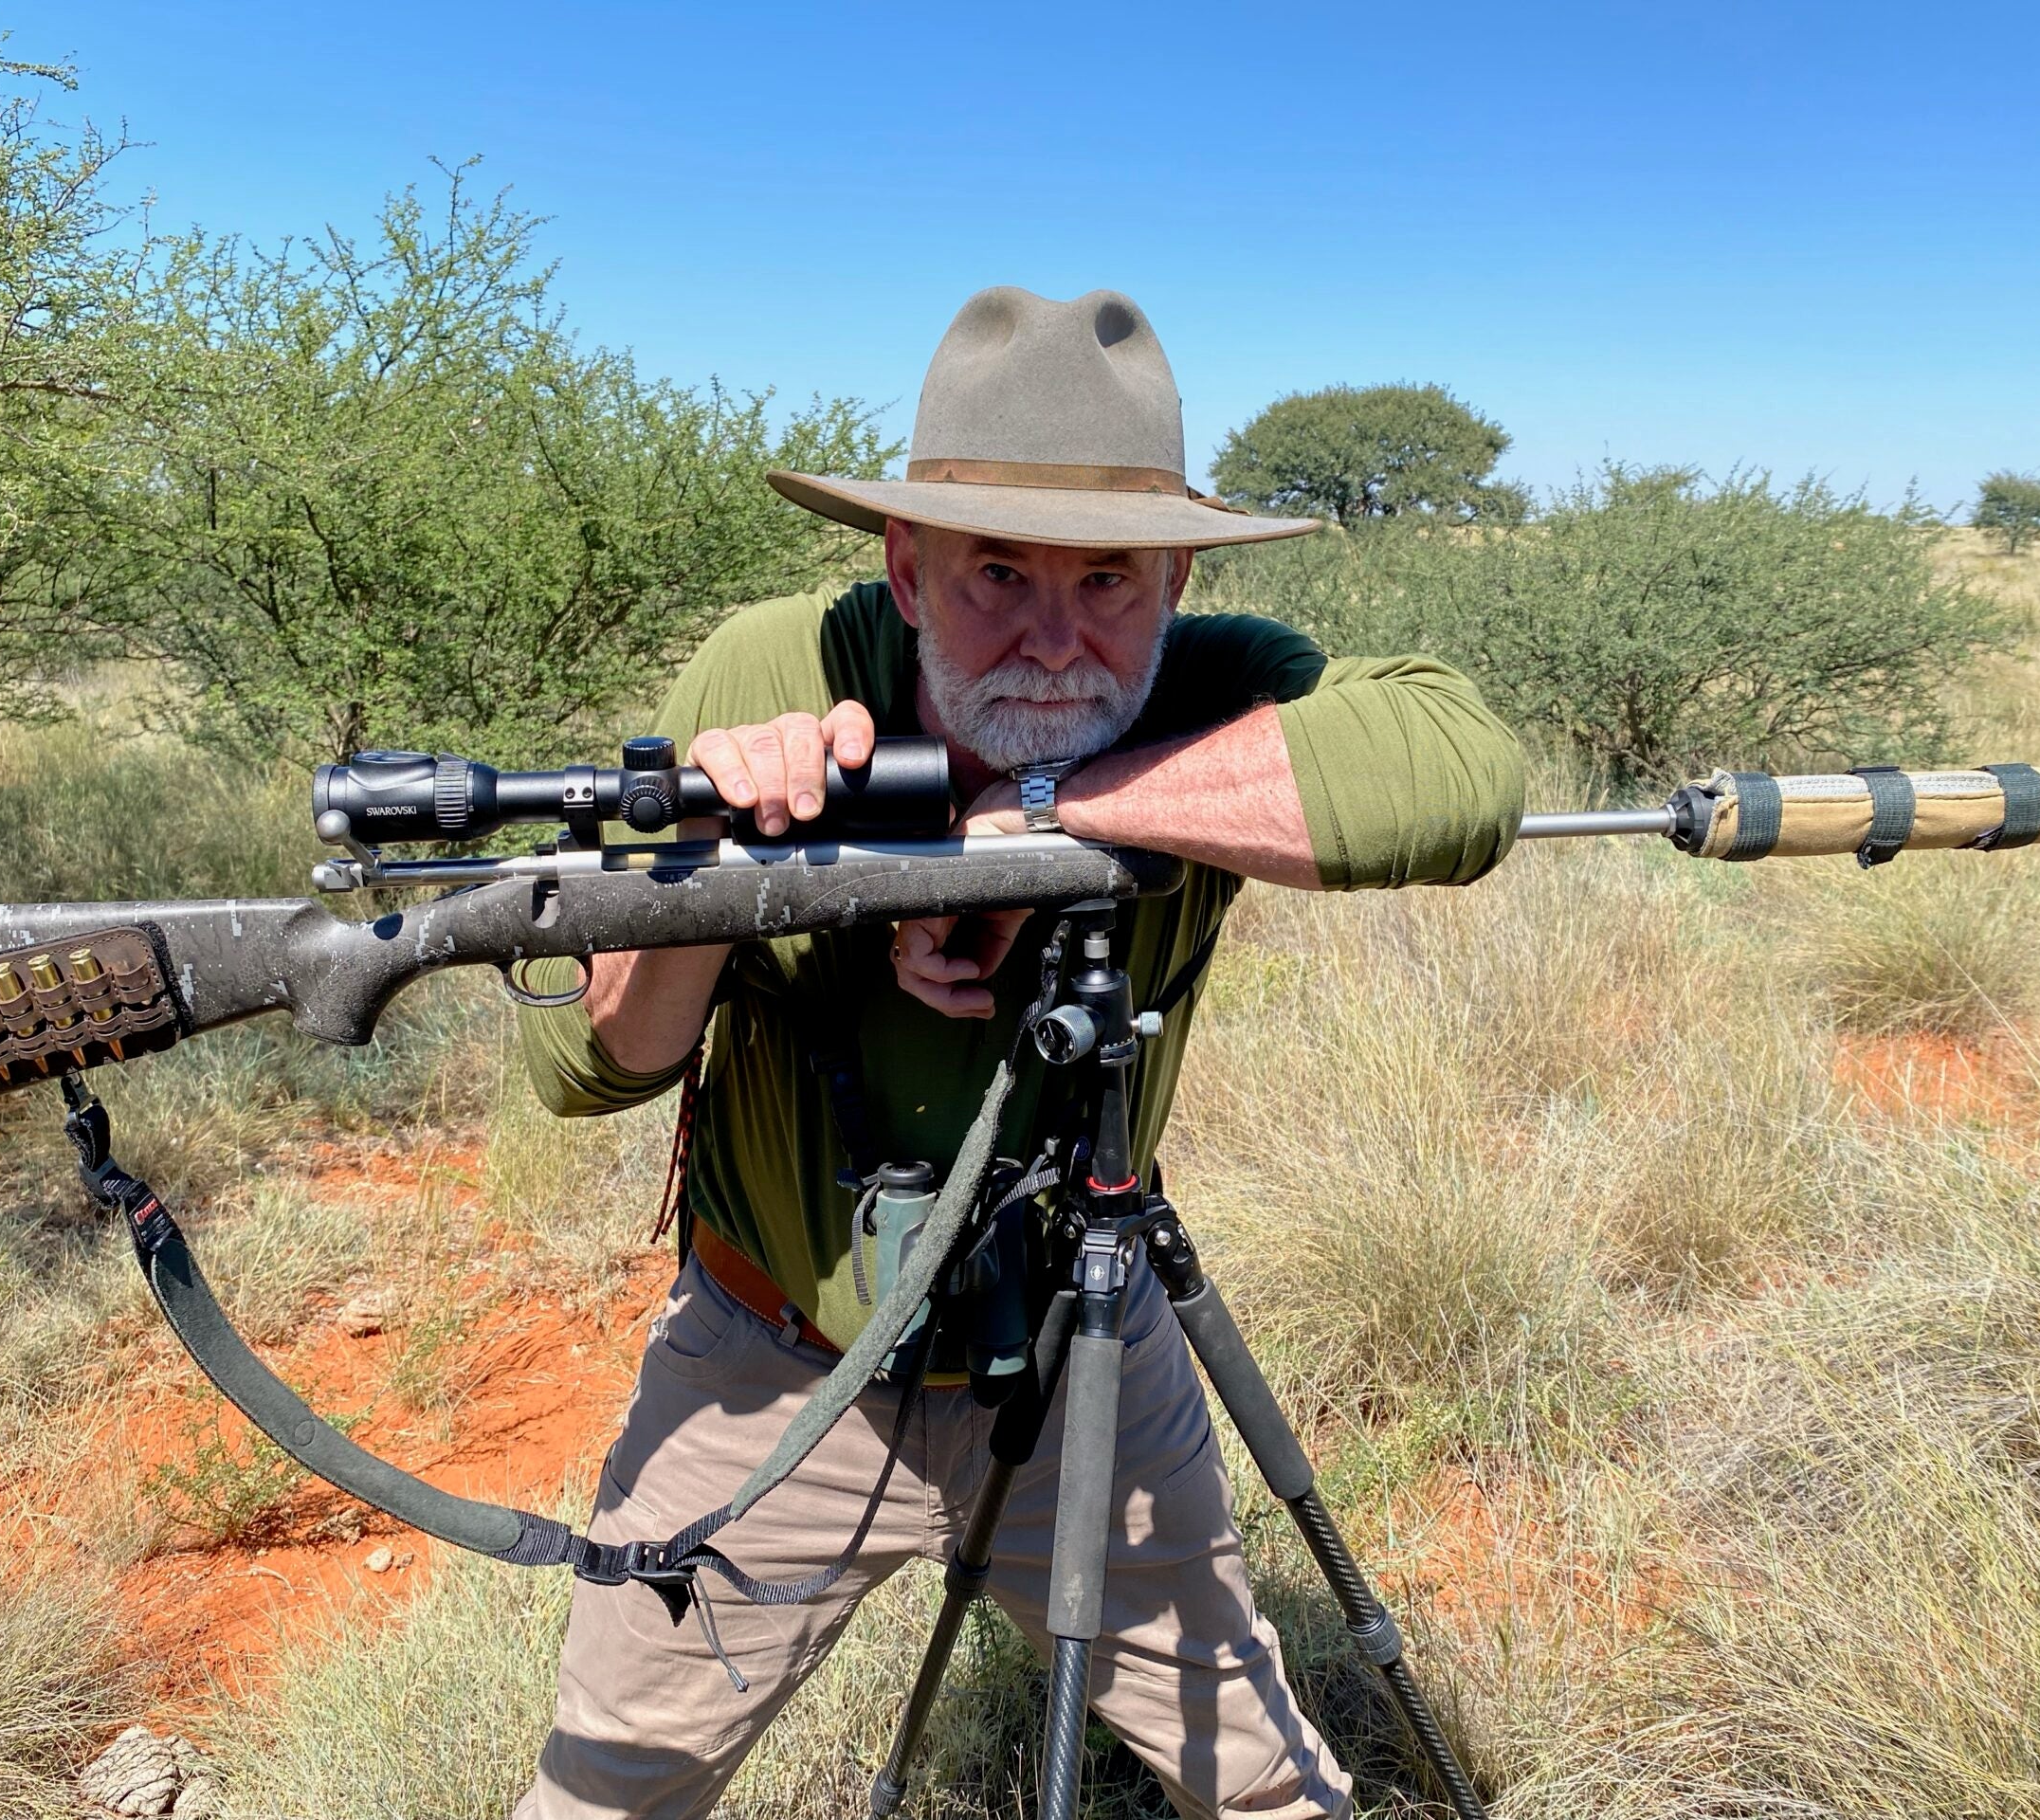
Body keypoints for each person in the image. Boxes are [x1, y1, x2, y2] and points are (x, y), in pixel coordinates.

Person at [512, 286, 1523, 1820]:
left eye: (1111, 579)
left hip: (1085, 1357)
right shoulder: (776, 667)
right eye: (996, 573)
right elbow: (592, 1069)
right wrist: (719, 867)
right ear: (905, 567)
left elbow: (1460, 774)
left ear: (1178, 574)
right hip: (772, 1362)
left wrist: (1041, 819)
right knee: (609, 1791)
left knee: (1257, 1779)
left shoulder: (1217, 679)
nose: (1057, 641)